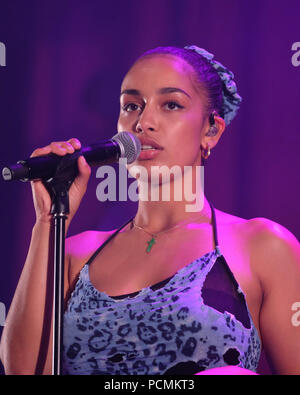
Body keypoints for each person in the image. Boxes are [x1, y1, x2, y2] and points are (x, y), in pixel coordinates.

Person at [1, 45, 300, 375]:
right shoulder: (73, 254)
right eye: (131, 106)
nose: (143, 122)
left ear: (210, 131)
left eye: (171, 104)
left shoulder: (263, 247)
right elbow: (22, 370)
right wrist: (47, 220)